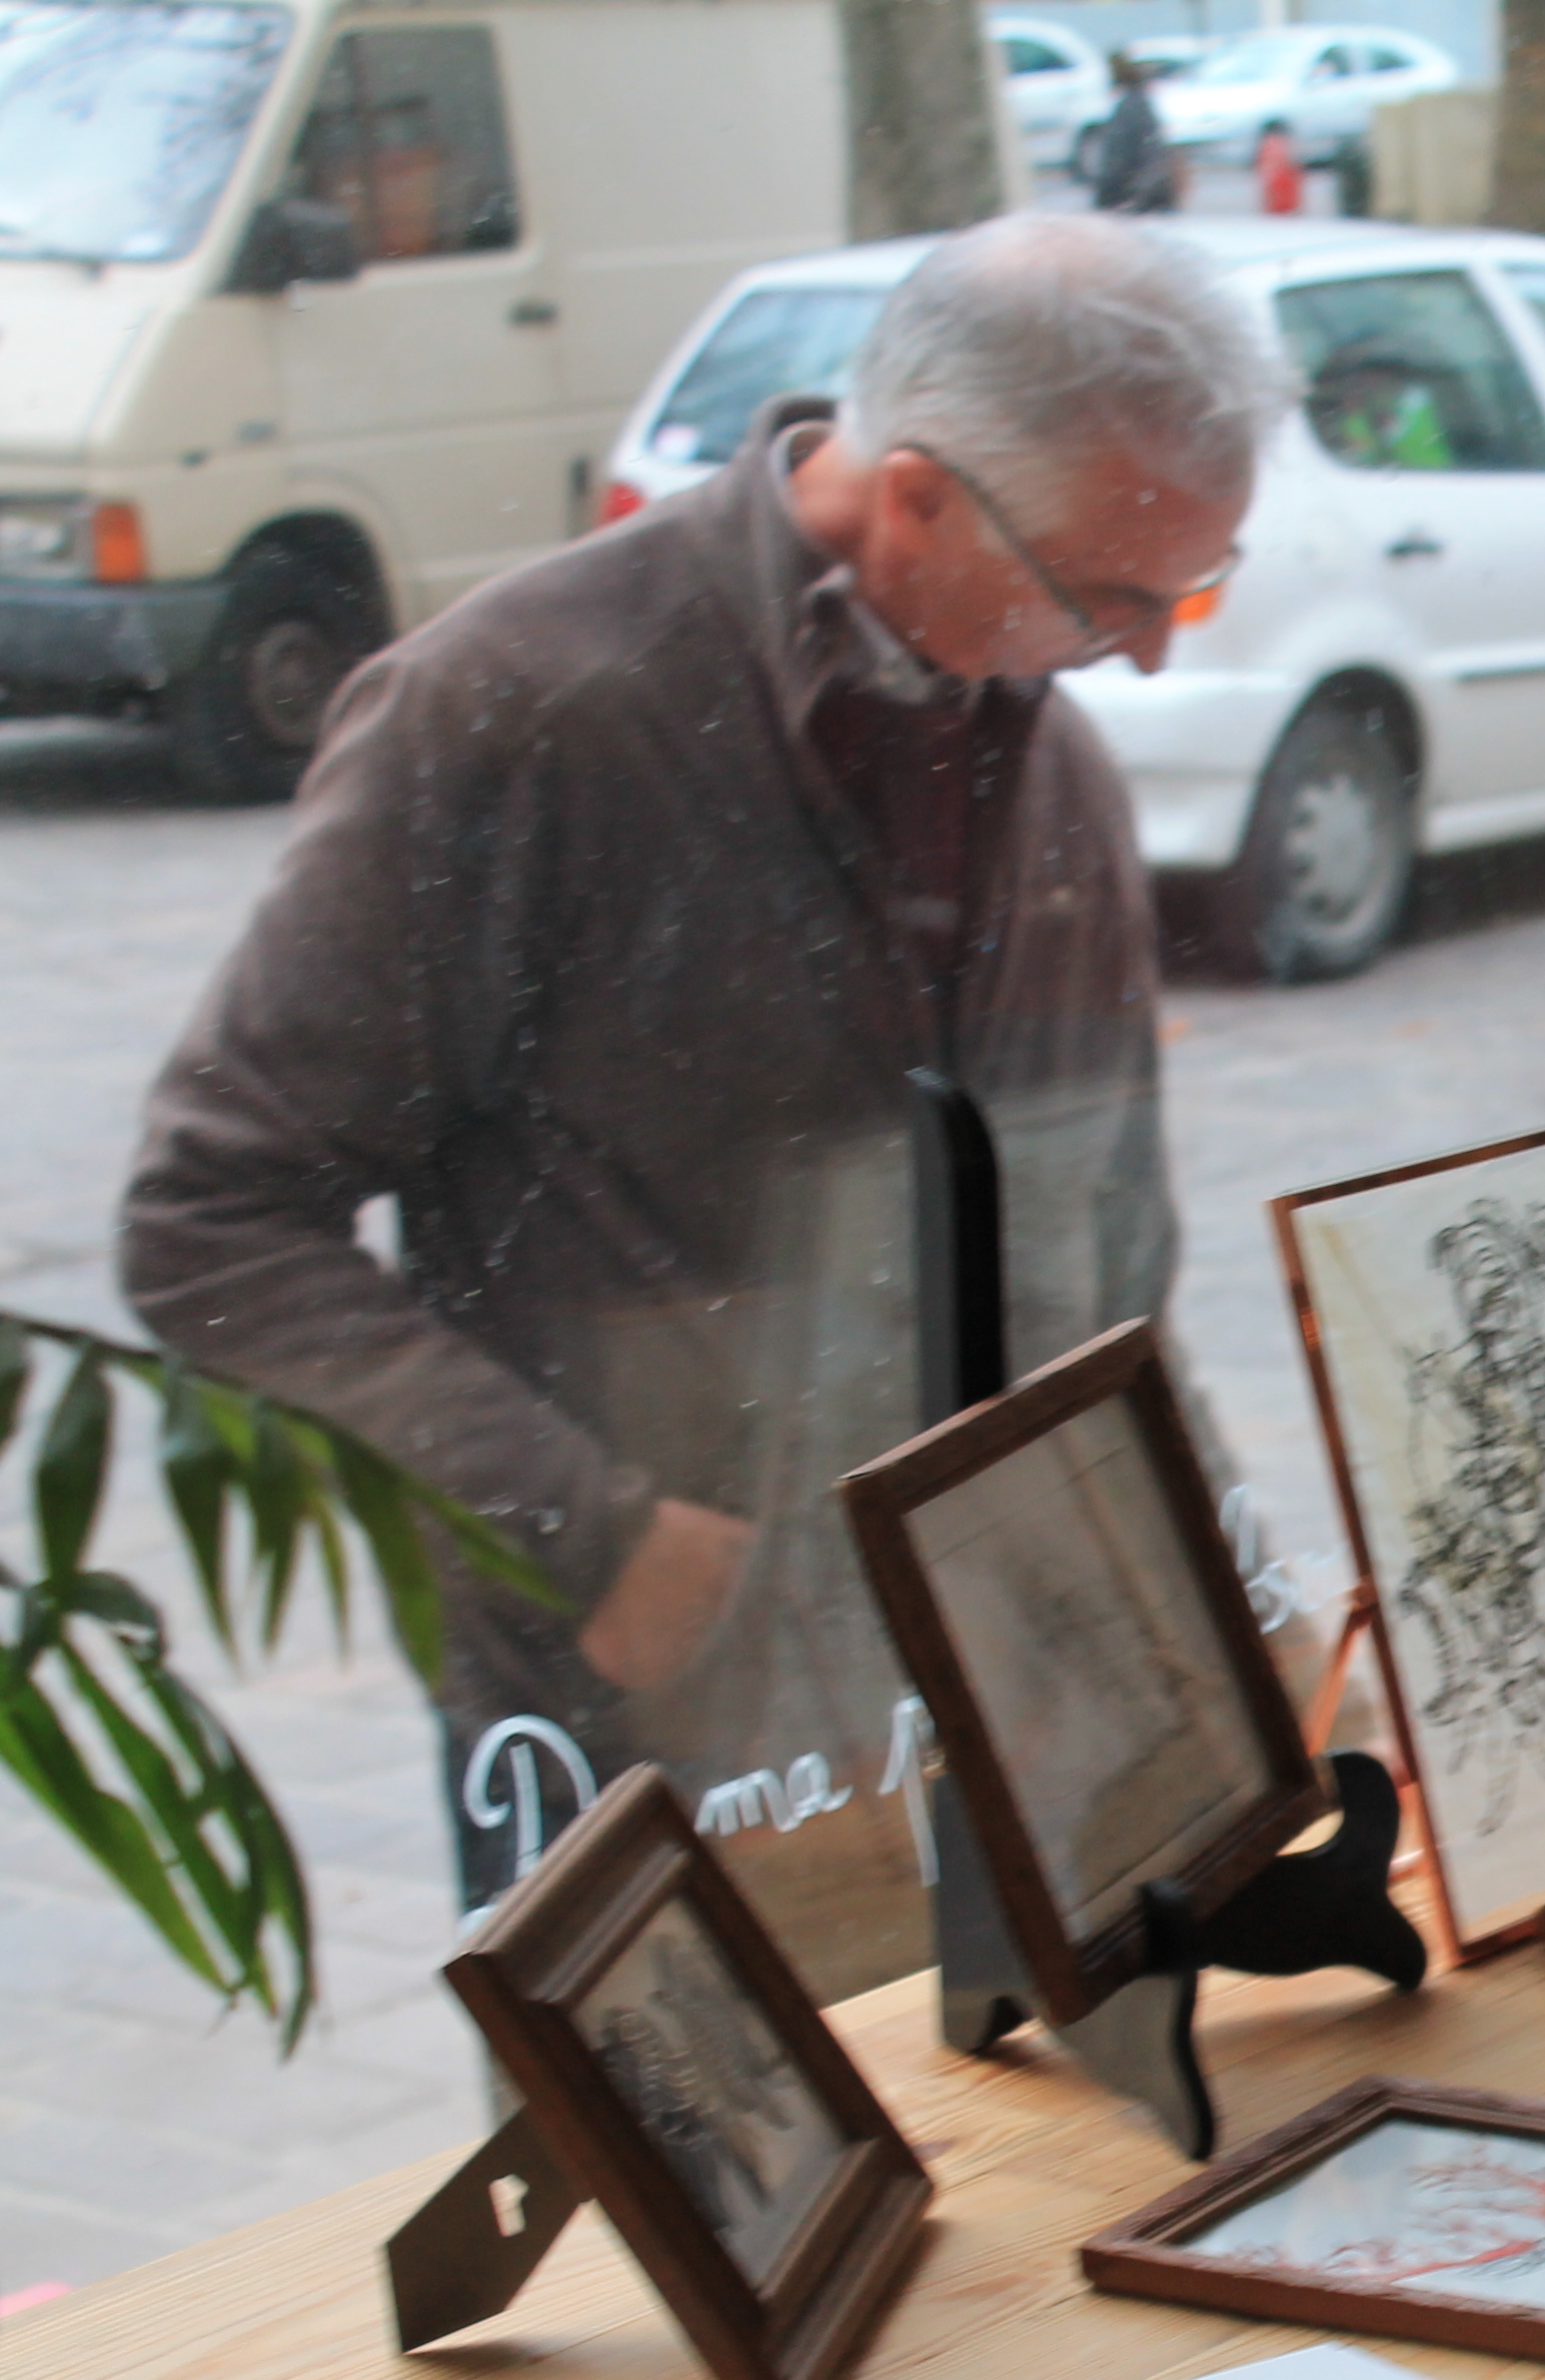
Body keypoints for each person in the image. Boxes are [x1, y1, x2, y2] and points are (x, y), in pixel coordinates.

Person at [118, 215, 1291, 1993]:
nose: (1144, 661)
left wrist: (1207, 1614)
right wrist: (585, 1535)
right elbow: (209, 1219)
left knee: (1023, 2152)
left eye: (1190, 594)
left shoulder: (1052, 769)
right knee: (695, 2171)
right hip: (644, 1700)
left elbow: (1107, 1261)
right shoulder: (521, 711)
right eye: (1112, 595)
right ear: (916, 501)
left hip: (991, 1690)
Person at [1090, 52, 1178, 213]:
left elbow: (1119, 155)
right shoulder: (1140, 105)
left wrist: (1108, 189)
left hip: (1137, 191)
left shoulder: (1129, 108)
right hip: (1149, 186)